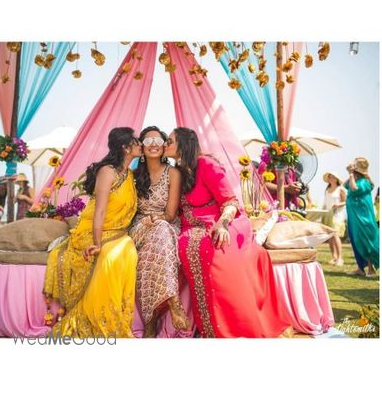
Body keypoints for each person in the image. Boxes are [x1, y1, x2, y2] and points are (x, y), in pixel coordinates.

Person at [165, 127, 291, 338]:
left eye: (170, 140)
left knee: (209, 247)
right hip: (191, 228)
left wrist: (222, 224)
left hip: (223, 221)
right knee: (185, 245)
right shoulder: (178, 172)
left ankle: (231, 326)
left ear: (184, 144)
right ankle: (208, 326)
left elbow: (230, 202)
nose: (165, 144)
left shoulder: (206, 164)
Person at [43, 127, 142, 338]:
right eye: (136, 142)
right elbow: (100, 211)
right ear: (125, 147)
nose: (140, 145)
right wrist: (97, 243)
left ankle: (116, 316)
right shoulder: (108, 172)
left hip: (118, 233)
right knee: (108, 257)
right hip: (93, 231)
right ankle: (98, 317)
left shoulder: (128, 175)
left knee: (129, 252)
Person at [129, 126, 192, 338]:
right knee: (153, 235)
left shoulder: (173, 173)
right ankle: (171, 305)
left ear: (164, 144)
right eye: (148, 141)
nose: (153, 144)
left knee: (158, 238)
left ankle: (151, 319)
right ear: (142, 147)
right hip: (139, 226)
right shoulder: (134, 176)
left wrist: (157, 220)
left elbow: (171, 214)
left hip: (165, 223)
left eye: (158, 140)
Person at [344, 157, 379, 277]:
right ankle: (360, 267)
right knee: (355, 239)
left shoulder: (364, 182)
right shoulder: (355, 179)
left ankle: (371, 268)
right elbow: (345, 185)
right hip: (354, 217)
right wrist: (350, 174)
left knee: (364, 240)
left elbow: (354, 188)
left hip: (363, 218)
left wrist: (350, 174)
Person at [321, 172, 346, 266]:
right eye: (330, 177)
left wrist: (338, 205)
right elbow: (326, 202)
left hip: (337, 215)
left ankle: (340, 258)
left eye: (333, 177)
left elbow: (345, 202)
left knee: (335, 235)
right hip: (327, 214)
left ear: (337, 179)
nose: (331, 178)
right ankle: (334, 257)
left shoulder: (341, 189)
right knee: (330, 236)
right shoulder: (327, 189)